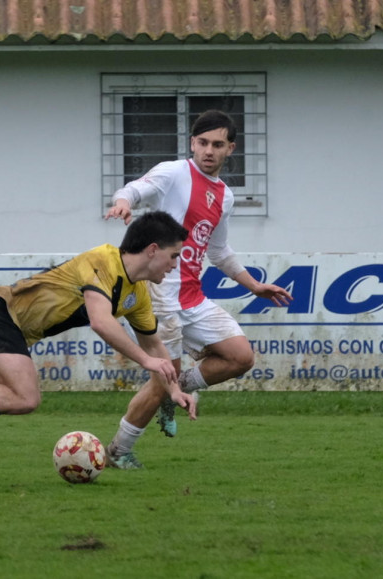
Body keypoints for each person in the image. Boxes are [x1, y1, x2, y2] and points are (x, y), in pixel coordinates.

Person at [0, 211, 199, 465]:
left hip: (9, 328)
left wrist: (172, 390)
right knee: (25, 396)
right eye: (174, 255)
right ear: (152, 249)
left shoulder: (138, 295)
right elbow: (100, 321)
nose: (175, 265)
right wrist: (148, 361)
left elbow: (154, 345)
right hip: (0, 315)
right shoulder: (104, 260)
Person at [103, 109, 292, 468]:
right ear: (192, 143)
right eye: (202, 142)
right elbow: (136, 188)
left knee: (240, 357)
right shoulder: (174, 173)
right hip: (158, 296)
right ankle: (118, 451)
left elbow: (217, 251)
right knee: (161, 380)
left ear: (230, 149)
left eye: (217, 144)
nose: (208, 150)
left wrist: (253, 285)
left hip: (192, 294)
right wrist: (124, 201)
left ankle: (175, 392)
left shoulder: (225, 196)